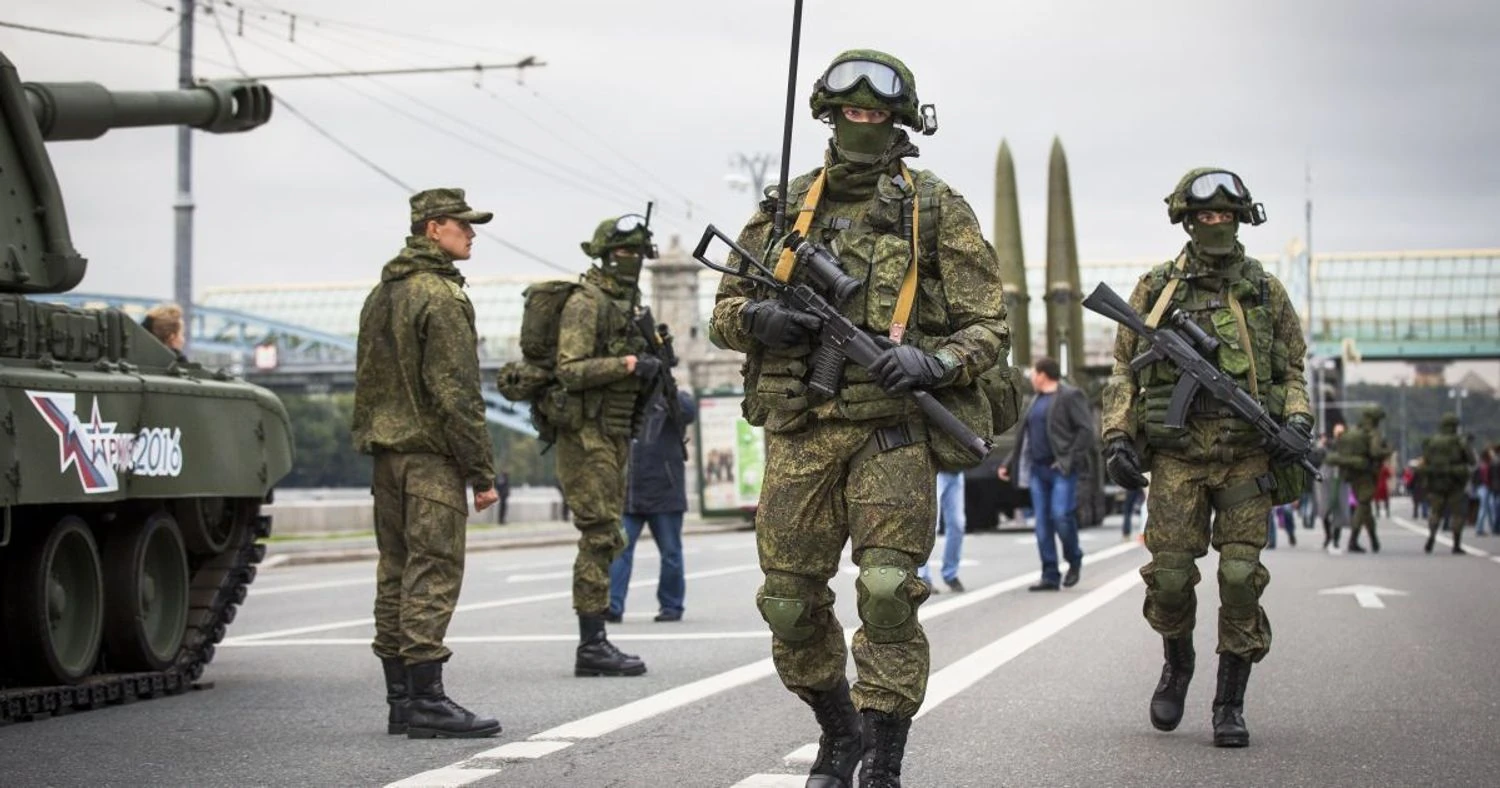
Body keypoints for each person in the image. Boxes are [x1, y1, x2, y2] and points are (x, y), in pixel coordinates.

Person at [709, 49, 1007, 787]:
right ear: (828, 112)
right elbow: (721, 314)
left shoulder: (934, 207)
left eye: (877, 107)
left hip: (891, 430)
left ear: (899, 117)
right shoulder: (785, 208)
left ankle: (885, 762)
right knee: (787, 602)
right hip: (801, 433)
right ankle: (839, 734)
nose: (862, 116)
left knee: (883, 591)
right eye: (851, 106)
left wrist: (934, 364)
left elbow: (988, 323)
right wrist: (760, 319)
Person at [1100, 168, 1310, 749]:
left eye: (1225, 215)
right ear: (1187, 220)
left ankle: (1229, 702)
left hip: (1247, 457)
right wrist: (1117, 434)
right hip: (1178, 459)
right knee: (1169, 580)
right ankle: (1178, 662)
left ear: (1240, 219)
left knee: (1241, 578)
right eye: (1205, 216)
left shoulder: (1265, 291)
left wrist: (1296, 420)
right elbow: (1123, 366)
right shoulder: (1156, 287)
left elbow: (1293, 368)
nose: (1216, 224)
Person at [350, 187, 501, 739]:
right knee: (432, 572)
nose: (472, 233)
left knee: (394, 570)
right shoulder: (440, 296)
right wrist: (481, 473)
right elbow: (457, 393)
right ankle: (429, 700)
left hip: (386, 456)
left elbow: (366, 380)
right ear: (433, 227)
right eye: (464, 224)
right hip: (431, 458)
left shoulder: (382, 293)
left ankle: (400, 699)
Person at [550, 214, 661, 678]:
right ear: (602, 254)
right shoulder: (586, 302)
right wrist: (628, 363)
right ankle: (591, 643)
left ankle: (596, 639)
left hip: (614, 432)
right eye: (622, 253)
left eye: (638, 254)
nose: (631, 262)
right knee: (599, 533)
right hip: (586, 433)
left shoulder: (629, 307)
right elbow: (569, 368)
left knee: (609, 533)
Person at [1000, 357, 1095, 591]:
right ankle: (1050, 574)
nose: (1031, 377)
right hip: (1037, 470)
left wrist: (1068, 460)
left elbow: (1086, 430)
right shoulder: (1035, 401)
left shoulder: (1070, 396)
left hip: (1060, 469)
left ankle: (1074, 559)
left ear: (1043, 375)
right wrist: (1009, 463)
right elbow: (1026, 438)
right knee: (1042, 525)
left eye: (1033, 373)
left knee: (1062, 516)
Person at [608, 388, 698, 622]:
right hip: (630, 494)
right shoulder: (626, 396)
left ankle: (671, 606)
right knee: (619, 550)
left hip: (665, 492)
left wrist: (663, 386)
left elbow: (689, 412)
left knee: (671, 554)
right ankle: (613, 606)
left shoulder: (671, 397)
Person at [1328, 407, 1391, 553]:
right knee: (1363, 506)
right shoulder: (1372, 433)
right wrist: (1387, 451)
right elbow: (1375, 452)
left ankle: (1374, 540)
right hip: (1366, 474)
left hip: (1353, 474)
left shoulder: (1354, 431)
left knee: (1365, 508)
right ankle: (1353, 540)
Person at [1420, 413, 1474, 553]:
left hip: (1436, 482)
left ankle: (1431, 536)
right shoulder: (1459, 441)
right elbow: (1471, 460)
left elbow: (1426, 459)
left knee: (1435, 512)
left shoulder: (1432, 441)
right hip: (1455, 482)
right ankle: (1456, 544)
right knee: (1458, 513)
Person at [920, 471, 968, 593]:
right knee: (930, 524)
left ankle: (950, 574)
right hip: (933, 470)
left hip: (955, 469)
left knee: (958, 524)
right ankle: (923, 577)